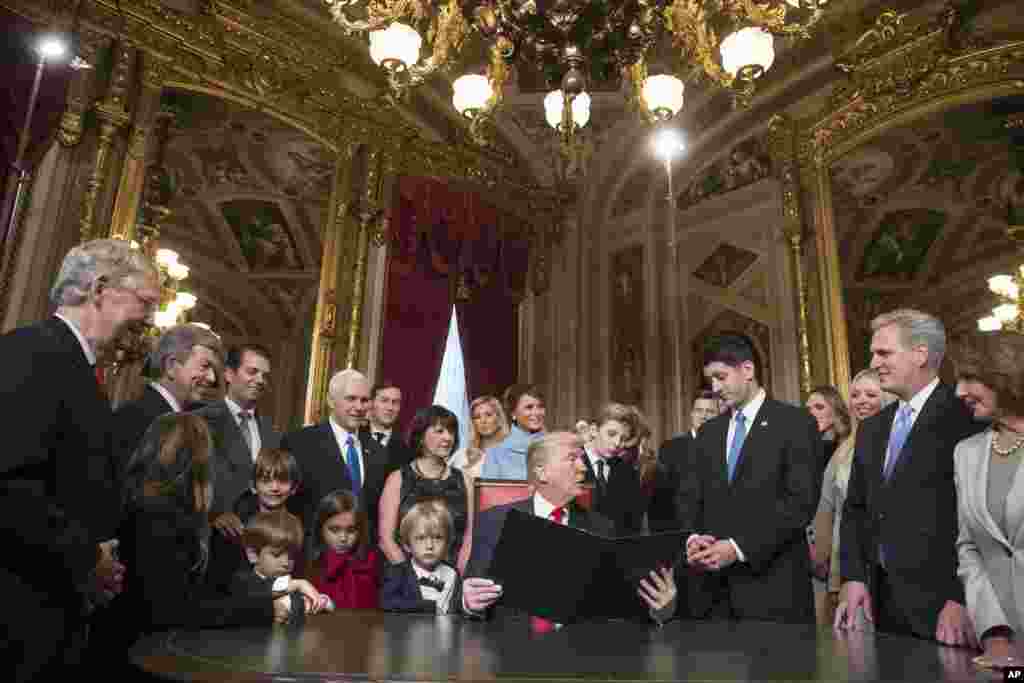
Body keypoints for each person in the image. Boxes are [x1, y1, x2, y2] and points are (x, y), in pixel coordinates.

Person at [0, 238, 159, 681]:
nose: (148, 321)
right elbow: (9, 485)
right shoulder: (30, 354)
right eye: (145, 303)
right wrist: (88, 555)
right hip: (19, 612)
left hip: (57, 609)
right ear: (100, 288)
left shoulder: (78, 368)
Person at [836, 308, 984, 646]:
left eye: (883, 352)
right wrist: (854, 577)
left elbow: (973, 517)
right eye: (874, 353)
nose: (874, 362)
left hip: (946, 607)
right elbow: (856, 508)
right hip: (882, 606)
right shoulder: (873, 429)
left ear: (920, 354)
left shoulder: (963, 416)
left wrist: (959, 595)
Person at [115, 414, 290, 652]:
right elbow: (173, 609)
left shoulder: (143, 501)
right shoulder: (160, 515)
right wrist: (262, 610)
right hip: (145, 651)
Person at [462, 431, 677, 624]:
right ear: (541, 472)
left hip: (580, 654)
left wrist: (661, 608)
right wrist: (468, 602)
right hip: (510, 653)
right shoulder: (494, 521)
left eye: (582, 459)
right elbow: (471, 596)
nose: (583, 467)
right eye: (572, 459)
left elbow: (622, 607)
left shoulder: (603, 529)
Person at [680, 332, 821, 623]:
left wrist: (737, 547)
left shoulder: (795, 423)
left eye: (721, 377)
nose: (715, 388)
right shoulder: (708, 433)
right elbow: (690, 496)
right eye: (711, 381)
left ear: (747, 370)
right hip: (713, 594)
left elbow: (800, 504)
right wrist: (693, 537)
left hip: (774, 590)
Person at [948, 331, 1024, 661]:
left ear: (1004, 375)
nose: (959, 391)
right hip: (1002, 646)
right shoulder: (966, 453)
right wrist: (994, 633)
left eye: (969, 378)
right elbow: (969, 546)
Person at [812, 370, 894, 625]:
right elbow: (826, 507)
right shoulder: (844, 447)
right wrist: (821, 555)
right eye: (856, 395)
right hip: (845, 564)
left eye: (871, 394)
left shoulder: (895, 440)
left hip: (886, 566)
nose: (861, 401)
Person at [282, 369, 394, 548]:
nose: (358, 407)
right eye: (351, 398)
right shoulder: (300, 443)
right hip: (313, 558)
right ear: (331, 401)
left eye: (364, 400)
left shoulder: (379, 452)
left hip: (362, 563)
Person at [194, 343, 281, 542]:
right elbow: (184, 483)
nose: (260, 380)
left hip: (259, 541)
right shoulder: (200, 421)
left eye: (265, 376)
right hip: (212, 541)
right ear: (229, 374)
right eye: (252, 371)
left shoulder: (271, 431)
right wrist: (212, 514)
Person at [111, 324, 221, 476]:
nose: (212, 378)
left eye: (213, 370)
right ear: (170, 366)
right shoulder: (137, 419)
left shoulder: (180, 420)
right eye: (205, 366)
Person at [378, 405, 474, 572]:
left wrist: (455, 578)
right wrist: (411, 579)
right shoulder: (397, 478)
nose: (448, 437)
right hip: (404, 578)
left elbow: (469, 537)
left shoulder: (464, 480)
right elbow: (385, 539)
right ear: (421, 436)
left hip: (451, 578)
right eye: (439, 431)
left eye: (451, 432)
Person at [207, 448, 302, 593]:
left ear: (294, 487)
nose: (274, 488)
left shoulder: (299, 526)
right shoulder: (232, 526)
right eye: (266, 481)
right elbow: (219, 585)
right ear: (253, 486)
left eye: (282, 481)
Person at [231, 508, 326, 624]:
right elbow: (260, 593)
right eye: (277, 555)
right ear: (253, 555)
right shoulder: (242, 581)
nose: (286, 563)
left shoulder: (291, 584)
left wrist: (318, 602)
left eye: (291, 556)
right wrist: (298, 584)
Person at [649, 391, 720, 532]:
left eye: (710, 411)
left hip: (716, 534)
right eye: (699, 410)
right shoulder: (671, 448)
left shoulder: (725, 448)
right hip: (681, 533)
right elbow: (661, 501)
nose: (703, 416)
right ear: (692, 414)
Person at [380, 499, 463, 614]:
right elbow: (387, 602)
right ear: (407, 545)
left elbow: (460, 608)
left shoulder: (453, 573)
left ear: (448, 544)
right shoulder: (399, 572)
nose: (429, 546)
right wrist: (427, 607)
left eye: (438, 537)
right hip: (409, 630)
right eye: (421, 538)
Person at [307, 490, 381, 610]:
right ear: (320, 529)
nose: (343, 538)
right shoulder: (313, 564)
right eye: (334, 530)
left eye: (351, 530)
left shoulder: (371, 561)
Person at [581, 402, 645, 535]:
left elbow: (633, 524)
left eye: (623, 438)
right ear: (593, 430)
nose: (617, 443)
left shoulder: (628, 472)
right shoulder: (570, 463)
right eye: (611, 434)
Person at [481, 384, 547, 480]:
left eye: (540, 406)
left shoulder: (558, 448)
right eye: (529, 407)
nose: (536, 412)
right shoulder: (495, 454)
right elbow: (489, 493)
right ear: (513, 413)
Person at [450, 395, 510, 479]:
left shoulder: (512, 452)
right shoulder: (462, 456)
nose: (483, 421)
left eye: (488, 415)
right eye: (477, 417)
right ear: (473, 423)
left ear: (499, 418)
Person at [366, 381, 415, 467]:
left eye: (395, 402)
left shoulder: (406, 450)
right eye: (384, 401)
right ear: (371, 403)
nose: (390, 408)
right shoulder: (355, 435)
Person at [805, 385, 851, 465]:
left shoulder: (850, 443)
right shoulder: (806, 444)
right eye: (808, 409)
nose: (811, 413)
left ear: (836, 410)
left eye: (819, 407)